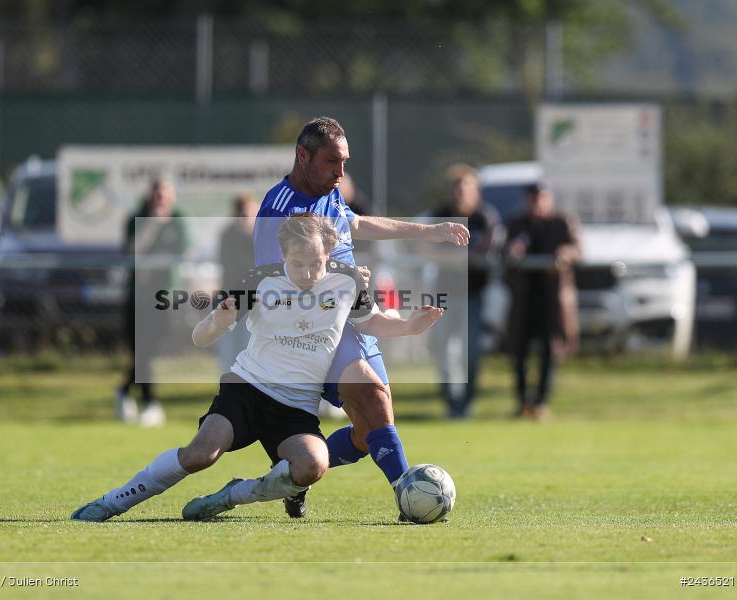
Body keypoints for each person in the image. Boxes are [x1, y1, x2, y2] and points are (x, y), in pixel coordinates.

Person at [71, 214, 444, 522]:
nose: (307, 272)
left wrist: (410, 326)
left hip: (297, 406)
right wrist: (217, 322)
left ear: (329, 252)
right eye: (297, 263)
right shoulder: (260, 280)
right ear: (283, 254)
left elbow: (372, 321)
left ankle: (233, 495)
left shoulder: (347, 280)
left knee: (313, 466)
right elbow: (201, 337)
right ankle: (114, 501)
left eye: (315, 263)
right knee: (201, 454)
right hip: (247, 389)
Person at [254, 116, 469, 517]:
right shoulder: (280, 210)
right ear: (303, 156)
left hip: (356, 316)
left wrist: (425, 231)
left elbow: (355, 224)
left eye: (344, 163)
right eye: (332, 162)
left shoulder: (327, 192)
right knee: (372, 398)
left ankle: (292, 472)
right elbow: (274, 283)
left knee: (371, 427)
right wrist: (343, 279)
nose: (340, 172)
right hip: (318, 327)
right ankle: (408, 495)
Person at [503, 182, 581, 420]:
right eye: (533, 199)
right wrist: (512, 250)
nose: (537, 204)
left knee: (550, 350)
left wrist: (564, 253)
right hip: (523, 298)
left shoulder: (562, 222)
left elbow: (578, 250)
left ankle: (541, 402)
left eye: (541, 198)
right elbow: (502, 253)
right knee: (519, 351)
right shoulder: (517, 224)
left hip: (552, 299)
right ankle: (522, 402)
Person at [428, 163, 501, 419]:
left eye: (465, 186)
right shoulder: (441, 215)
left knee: (470, 351)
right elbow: (428, 249)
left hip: (473, 293)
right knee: (442, 349)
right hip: (443, 294)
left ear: (476, 190)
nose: (460, 192)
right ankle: (451, 402)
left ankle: (465, 403)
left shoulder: (485, 217)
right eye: (456, 187)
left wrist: (452, 256)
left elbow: (486, 251)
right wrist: (461, 257)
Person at [115, 177, 187, 427]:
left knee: (150, 349)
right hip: (137, 295)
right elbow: (131, 252)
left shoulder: (178, 221)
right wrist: (152, 227)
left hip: (164, 296)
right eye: (157, 194)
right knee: (141, 349)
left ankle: (125, 391)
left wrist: (154, 263)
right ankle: (149, 402)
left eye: (165, 194)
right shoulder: (137, 219)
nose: (160, 199)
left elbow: (182, 252)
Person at [215, 194, 256, 373]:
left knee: (248, 348)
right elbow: (233, 265)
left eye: (247, 214)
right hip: (230, 297)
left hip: (255, 300)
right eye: (240, 213)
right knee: (228, 351)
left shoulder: (261, 236)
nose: (244, 218)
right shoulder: (228, 235)